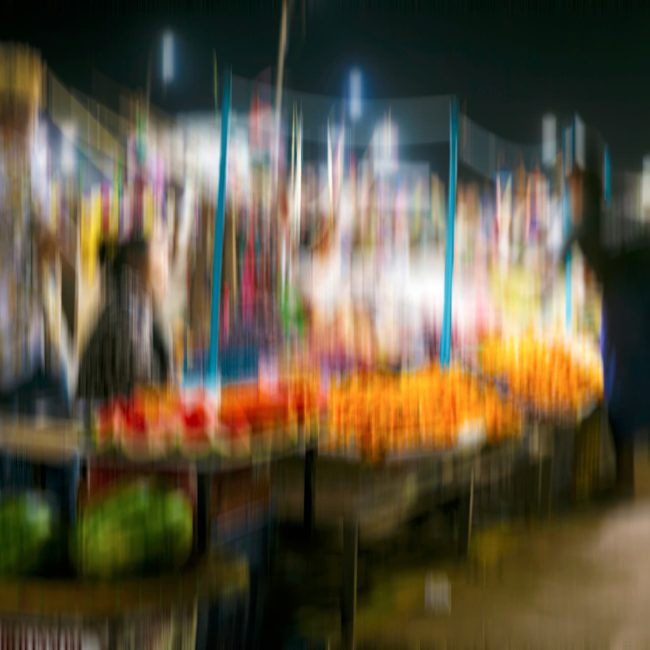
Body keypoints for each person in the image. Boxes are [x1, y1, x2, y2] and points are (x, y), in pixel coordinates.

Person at [563, 163, 650, 497]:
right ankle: (624, 477)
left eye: (573, 191)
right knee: (622, 388)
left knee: (621, 388)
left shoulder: (591, 220)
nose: (571, 200)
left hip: (630, 302)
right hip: (626, 300)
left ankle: (624, 481)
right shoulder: (605, 218)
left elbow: (571, 248)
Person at [76, 236, 171, 401]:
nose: (166, 268)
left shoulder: (130, 310)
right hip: (105, 424)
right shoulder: (126, 317)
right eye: (161, 251)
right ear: (135, 261)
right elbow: (145, 398)